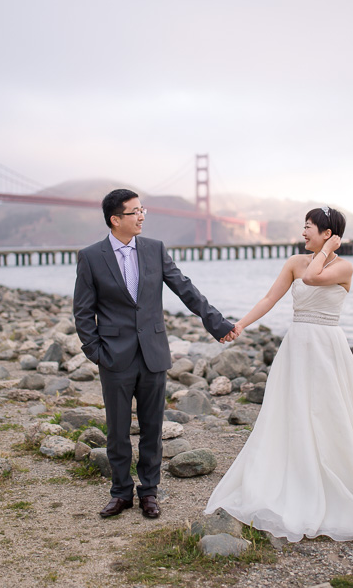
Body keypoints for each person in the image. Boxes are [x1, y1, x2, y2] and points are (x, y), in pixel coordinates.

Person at [204, 206, 353, 542]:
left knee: (331, 412)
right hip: (297, 345)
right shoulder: (293, 262)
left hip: (327, 347)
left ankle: (341, 479)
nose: (303, 233)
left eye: (309, 227)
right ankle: (295, 476)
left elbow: (313, 278)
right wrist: (240, 324)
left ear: (327, 233)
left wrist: (327, 251)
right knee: (292, 412)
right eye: (304, 227)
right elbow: (270, 297)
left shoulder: (344, 267)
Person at [74, 188, 238, 519]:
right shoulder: (91, 256)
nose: (142, 216)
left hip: (153, 353)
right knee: (118, 432)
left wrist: (217, 324)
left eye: (142, 209)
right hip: (114, 358)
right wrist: (97, 353)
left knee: (152, 429)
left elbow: (185, 288)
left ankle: (149, 492)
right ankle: (120, 493)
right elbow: (82, 311)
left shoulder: (155, 249)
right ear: (115, 219)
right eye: (135, 211)